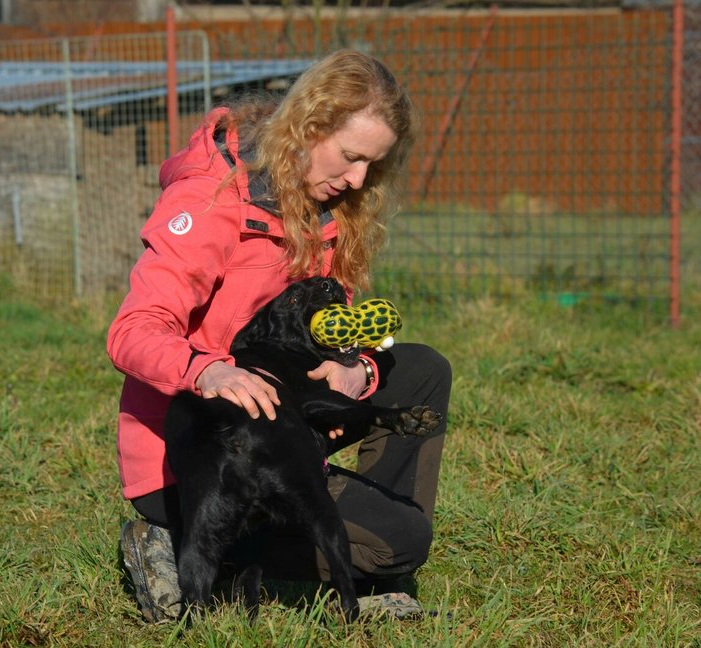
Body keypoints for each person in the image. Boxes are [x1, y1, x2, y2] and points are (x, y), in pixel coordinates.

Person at [107, 49, 451, 622]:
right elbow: (133, 330)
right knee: (400, 540)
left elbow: (320, 327)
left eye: (374, 165)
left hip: (281, 421)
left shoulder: (328, 204)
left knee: (420, 369)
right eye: (350, 157)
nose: (359, 178)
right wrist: (207, 370)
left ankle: (376, 567)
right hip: (203, 452)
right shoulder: (209, 197)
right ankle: (187, 546)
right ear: (308, 127)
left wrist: (353, 367)